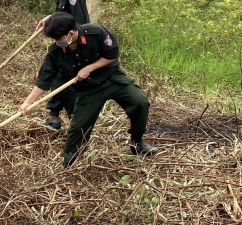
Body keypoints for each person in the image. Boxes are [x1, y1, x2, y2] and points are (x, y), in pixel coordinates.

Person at [18, 12, 159, 167]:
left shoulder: (96, 32)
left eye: (59, 39)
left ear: (71, 33)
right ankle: (69, 163)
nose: (58, 42)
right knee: (78, 128)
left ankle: (137, 142)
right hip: (88, 90)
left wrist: (90, 68)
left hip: (112, 79)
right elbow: (44, 80)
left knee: (140, 102)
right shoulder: (56, 52)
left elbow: (112, 54)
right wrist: (27, 103)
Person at [34, 0, 90, 131]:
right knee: (58, 73)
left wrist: (71, 43)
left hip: (70, 39)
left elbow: (78, 19)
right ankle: (55, 114)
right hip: (64, 36)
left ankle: (72, 115)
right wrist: (51, 18)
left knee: (67, 75)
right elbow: (65, 11)